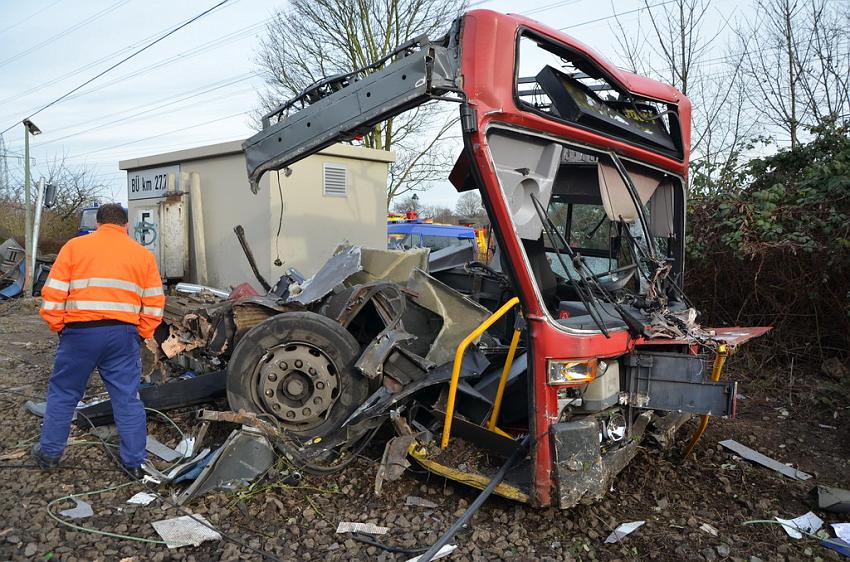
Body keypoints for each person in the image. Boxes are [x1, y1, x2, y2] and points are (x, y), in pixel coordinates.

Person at [31, 203, 165, 479]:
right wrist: (141, 332)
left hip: (79, 333)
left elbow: (53, 292)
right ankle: (133, 462)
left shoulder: (75, 247)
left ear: (98, 223)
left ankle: (50, 454)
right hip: (123, 334)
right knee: (127, 398)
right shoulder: (143, 256)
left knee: (64, 393)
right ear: (125, 225)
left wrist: (59, 326)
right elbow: (154, 304)